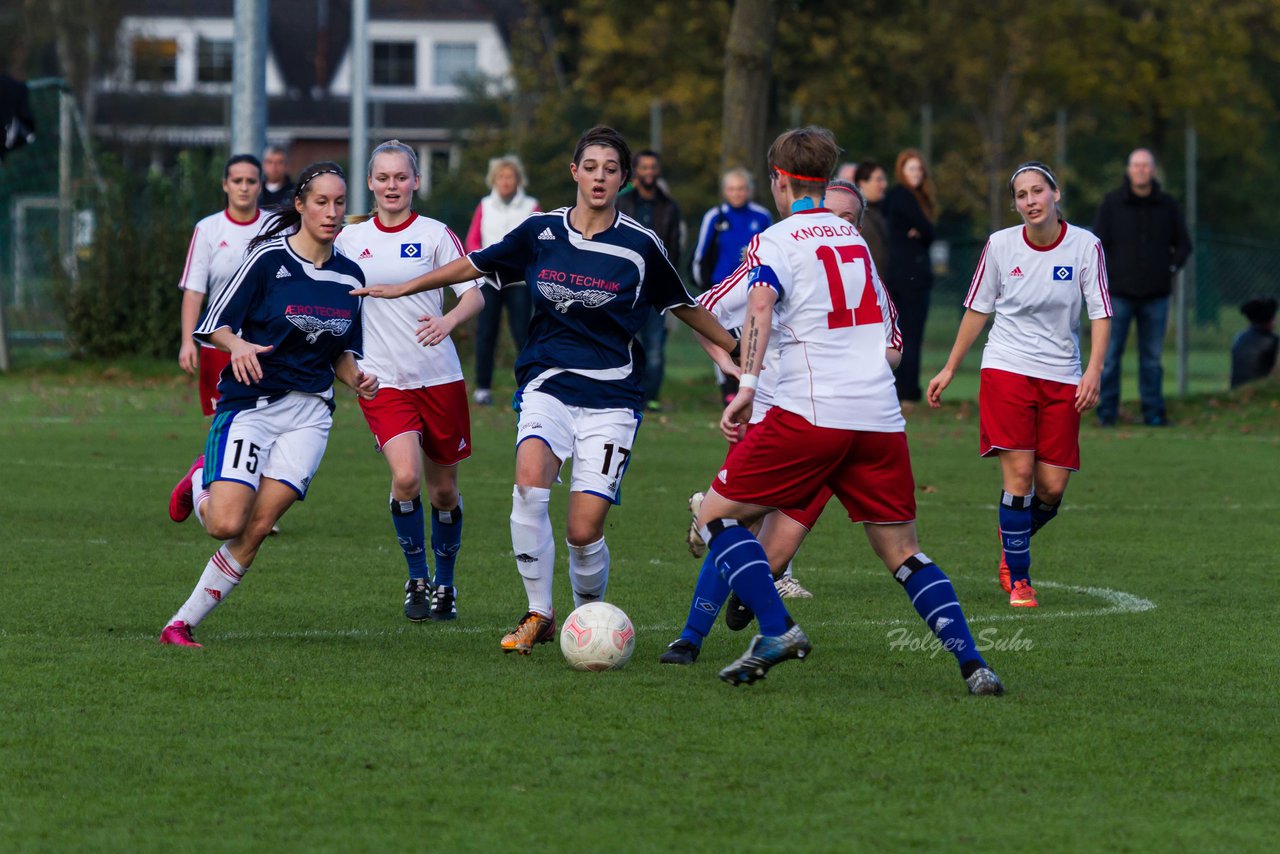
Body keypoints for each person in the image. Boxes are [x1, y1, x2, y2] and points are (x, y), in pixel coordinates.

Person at [352, 126, 739, 656]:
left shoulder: (640, 245)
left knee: (584, 530)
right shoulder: (539, 232)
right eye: (591, 166)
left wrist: (735, 350)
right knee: (528, 488)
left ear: (623, 179)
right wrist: (404, 287)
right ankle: (539, 612)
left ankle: (586, 620)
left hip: (612, 395)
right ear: (573, 172)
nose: (600, 176)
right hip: (547, 385)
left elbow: (683, 304)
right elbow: (474, 264)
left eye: (611, 168)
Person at [686, 126, 1002, 694]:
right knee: (904, 553)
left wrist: (748, 383)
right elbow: (885, 332)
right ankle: (974, 664)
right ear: (826, 182)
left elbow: (757, 304)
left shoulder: (775, 239)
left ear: (780, 183)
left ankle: (777, 629)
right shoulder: (856, 242)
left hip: (811, 413)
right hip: (879, 419)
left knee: (714, 518)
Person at [663, 177, 894, 664]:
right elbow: (703, 308)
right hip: (773, 415)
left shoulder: (864, 273)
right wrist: (734, 365)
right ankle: (689, 638)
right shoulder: (777, 257)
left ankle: (752, 591)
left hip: (834, 421)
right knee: (732, 526)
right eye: (829, 212)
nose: (834, 223)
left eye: (847, 218)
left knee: (773, 556)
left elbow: (894, 347)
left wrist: (855, 365)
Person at [160, 162, 378, 647]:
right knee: (225, 522)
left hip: (311, 416)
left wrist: (357, 378)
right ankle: (200, 478)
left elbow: (342, 352)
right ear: (299, 205)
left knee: (257, 527)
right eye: (321, 201)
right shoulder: (267, 261)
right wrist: (236, 346)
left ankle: (181, 624)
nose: (332, 211)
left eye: (340, 202)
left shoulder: (351, 276)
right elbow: (214, 324)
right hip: (252, 407)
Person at [927, 162, 1112, 609]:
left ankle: (1012, 540)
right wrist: (950, 367)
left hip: (1062, 373)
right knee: (1021, 475)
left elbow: (1101, 311)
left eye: (1037, 192)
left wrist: (1093, 371)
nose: (1030, 201)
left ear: (1056, 194)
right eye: (1021, 195)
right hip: (1006, 368)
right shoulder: (1000, 245)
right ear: (1015, 203)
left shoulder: (1086, 245)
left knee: (1050, 489)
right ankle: (1020, 577)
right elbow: (977, 309)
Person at [335, 140, 485, 621]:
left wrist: (448, 321)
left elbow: (473, 295)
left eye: (401, 177)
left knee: (444, 492)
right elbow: (331, 304)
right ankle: (416, 576)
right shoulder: (347, 240)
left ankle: (446, 583)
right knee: (405, 477)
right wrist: (345, 366)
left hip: (439, 378)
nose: (392, 185)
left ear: (416, 182)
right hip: (382, 380)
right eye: (383, 177)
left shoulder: (437, 234)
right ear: (370, 183)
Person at [1093, 148, 1193, 426]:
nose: (1140, 170)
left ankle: (1153, 414)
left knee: (1151, 359)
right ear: (1128, 170)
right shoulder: (1112, 203)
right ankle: (1107, 414)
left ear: (1153, 170)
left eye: (1145, 165)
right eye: (1136, 165)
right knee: (1110, 357)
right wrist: (1108, 275)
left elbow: (1184, 244)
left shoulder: (1168, 205)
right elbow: (1097, 245)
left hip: (1156, 296)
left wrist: (1170, 268)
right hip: (1118, 295)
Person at [176, 154, 263, 419]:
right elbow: (194, 291)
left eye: (251, 181)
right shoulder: (208, 229)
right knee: (220, 428)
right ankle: (206, 463)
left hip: (263, 347)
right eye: (237, 180)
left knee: (262, 426)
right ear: (225, 185)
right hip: (218, 346)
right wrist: (188, 342)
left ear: (260, 185)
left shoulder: (276, 227)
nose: (244, 187)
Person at [692, 167, 774, 404]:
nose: (736, 193)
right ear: (725, 191)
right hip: (723, 291)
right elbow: (700, 255)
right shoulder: (715, 217)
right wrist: (707, 287)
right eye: (731, 189)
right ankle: (728, 390)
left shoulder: (761, 216)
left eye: (741, 188)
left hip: (753, 291)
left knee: (752, 339)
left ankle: (754, 391)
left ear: (749, 190)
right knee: (724, 340)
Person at [465, 155, 540, 406]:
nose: (506, 181)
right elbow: (472, 240)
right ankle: (483, 388)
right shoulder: (484, 205)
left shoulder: (531, 206)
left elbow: (539, 241)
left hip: (519, 282)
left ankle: (530, 386)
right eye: (501, 176)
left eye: (510, 176)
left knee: (523, 333)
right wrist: (485, 264)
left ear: (518, 179)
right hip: (488, 281)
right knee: (486, 333)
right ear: (494, 180)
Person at [615, 149, 682, 411]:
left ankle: (649, 397)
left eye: (653, 167)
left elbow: (675, 246)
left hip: (655, 286)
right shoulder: (622, 202)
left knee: (655, 346)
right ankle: (625, 393)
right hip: (625, 286)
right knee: (625, 342)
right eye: (644, 168)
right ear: (635, 171)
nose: (649, 173)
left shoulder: (669, 206)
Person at [883, 148, 937, 402]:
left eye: (919, 169)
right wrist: (922, 230)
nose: (917, 174)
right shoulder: (903, 196)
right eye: (911, 169)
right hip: (909, 277)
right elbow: (929, 230)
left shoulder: (913, 197)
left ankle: (905, 389)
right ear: (901, 172)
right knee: (909, 335)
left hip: (906, 274)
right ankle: (908, 391)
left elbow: (926, 231)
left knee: (906, 334)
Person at [1230, 297, 1278, 388]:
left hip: (1236, 391)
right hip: (1259, 393)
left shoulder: (1238, 337)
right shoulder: (1273, 341)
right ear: (1270, 321)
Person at [853, 160, 889, 276]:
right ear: (862, 183)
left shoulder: (885, 211)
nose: (884, 185)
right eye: (879, 180)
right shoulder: (853, 215)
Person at [259, 144, 295, 208]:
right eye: (269, 162)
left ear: (286, 165)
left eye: (279, 162)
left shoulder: (295, 192)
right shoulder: (256, 191)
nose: (274, 167)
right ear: (263, 164)